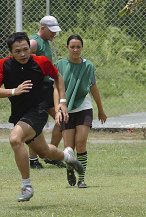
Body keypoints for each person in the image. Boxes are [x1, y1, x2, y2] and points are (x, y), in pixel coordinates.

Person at [0, 32, 83, 202]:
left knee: (15, 139)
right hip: (19, 114)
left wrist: (62, 101)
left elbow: (57, 76)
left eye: (25, 49)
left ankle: (26, 186)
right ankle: (68, 157)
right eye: (18, 51)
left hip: (38, 110)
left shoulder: (41, 62)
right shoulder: (3, 66)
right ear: (10, 52)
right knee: (45, 152)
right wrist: (14, 91)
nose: (23, 54)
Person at [54, 34, 107, 188]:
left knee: (81, 144)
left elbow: (93, 88)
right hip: (66, 109)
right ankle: (70, 169)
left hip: (84, 108)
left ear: (82, 48)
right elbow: (56, 89)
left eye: (78, 47)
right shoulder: (60, 65)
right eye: (72, 47)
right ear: (67, 48)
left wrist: (101, 109)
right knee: (68, 148)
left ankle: (81, 178)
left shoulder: (88, 66)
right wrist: (58, 108)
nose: (75, 50)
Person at [28, 15, 65, 169]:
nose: (54, 34)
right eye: (52, 31)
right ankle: (33, 160)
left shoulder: (47, 42)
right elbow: (21, 63)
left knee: (61, 119)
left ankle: (50, 153)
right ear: (42, 27)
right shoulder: (34, 42)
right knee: (36, 125)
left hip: (48, 88)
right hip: (38, 90)